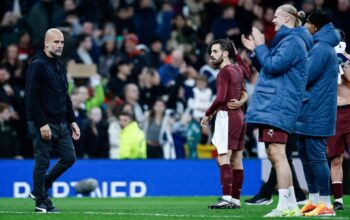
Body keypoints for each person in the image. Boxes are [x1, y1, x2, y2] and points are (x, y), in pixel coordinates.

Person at [241, 4, 313, 217]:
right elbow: (269, 69)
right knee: (276, 154)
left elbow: (272, 66)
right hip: (275, 103)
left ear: (287, 19)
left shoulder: (292, 41)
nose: (272, 21)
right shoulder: (289, 41)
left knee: (278, 154)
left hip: (279, 105)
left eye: (276, 17)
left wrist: (262, 46)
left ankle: (284, 205)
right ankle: (290, 203)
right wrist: (256, 50)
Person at [26, 28, 80, 213]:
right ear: (46, 43)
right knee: (42, 161)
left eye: (62, 42)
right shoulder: (38, 64)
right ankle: (41, 202)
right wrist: (42, 123)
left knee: (69, 157)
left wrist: (72, 120)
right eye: (56, 42)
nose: (59, 45)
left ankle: (41, 187)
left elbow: (64, 95)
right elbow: (31, 98)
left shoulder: (59, 65)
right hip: (43, 122)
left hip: (61, 122)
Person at [293, 11, 340, 217]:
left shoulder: (321, 49)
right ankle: (313, 201)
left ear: (314, 26)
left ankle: (326, 204)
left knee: (317, 157)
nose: (305, 28)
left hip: (316, 111)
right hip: (309, 109)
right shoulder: (320, 46)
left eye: (307, 24)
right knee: (305, 156)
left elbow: (305, 76)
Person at [201, 39, 247, 209]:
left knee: (223, 157)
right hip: (240, 116)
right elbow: (247, 73)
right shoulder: (238, 69)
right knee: (237, 160)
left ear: (225, 54)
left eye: (215, 51)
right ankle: (235, 199)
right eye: (210, 53)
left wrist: (207, 114)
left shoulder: (224, 72)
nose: (211, 56)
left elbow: (220, 98)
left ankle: (227, 198)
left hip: (226, 116)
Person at [245, 134, 307, 206]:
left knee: (281, 158)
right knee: (281, 158)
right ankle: (298, 195)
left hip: (285, 126)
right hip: (278, 125)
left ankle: (267, 195)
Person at [327, 39, 350, 211]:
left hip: (349, 111)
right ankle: (338, 200)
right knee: (335, 159)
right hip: (332, 114)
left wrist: (342, 59)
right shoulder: (326, 59)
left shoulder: (347, 58)